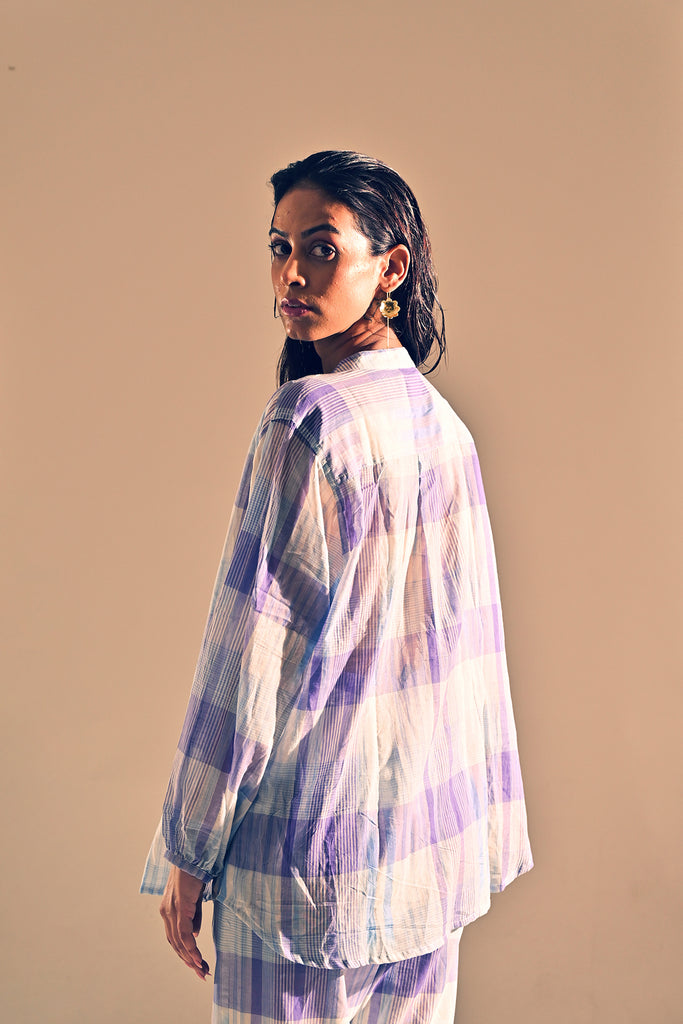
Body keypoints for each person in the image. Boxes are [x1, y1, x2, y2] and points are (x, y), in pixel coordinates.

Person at [141, 150, 533, 1023]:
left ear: (391, 268)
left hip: (300, 871)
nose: (291, 273)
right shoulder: (443, 429)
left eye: (321, 249)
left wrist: (188, 846)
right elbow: (470, 663)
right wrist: (478, 833)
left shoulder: (308, 421)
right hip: (424, 861)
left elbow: (249, 656)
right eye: (279, 247)